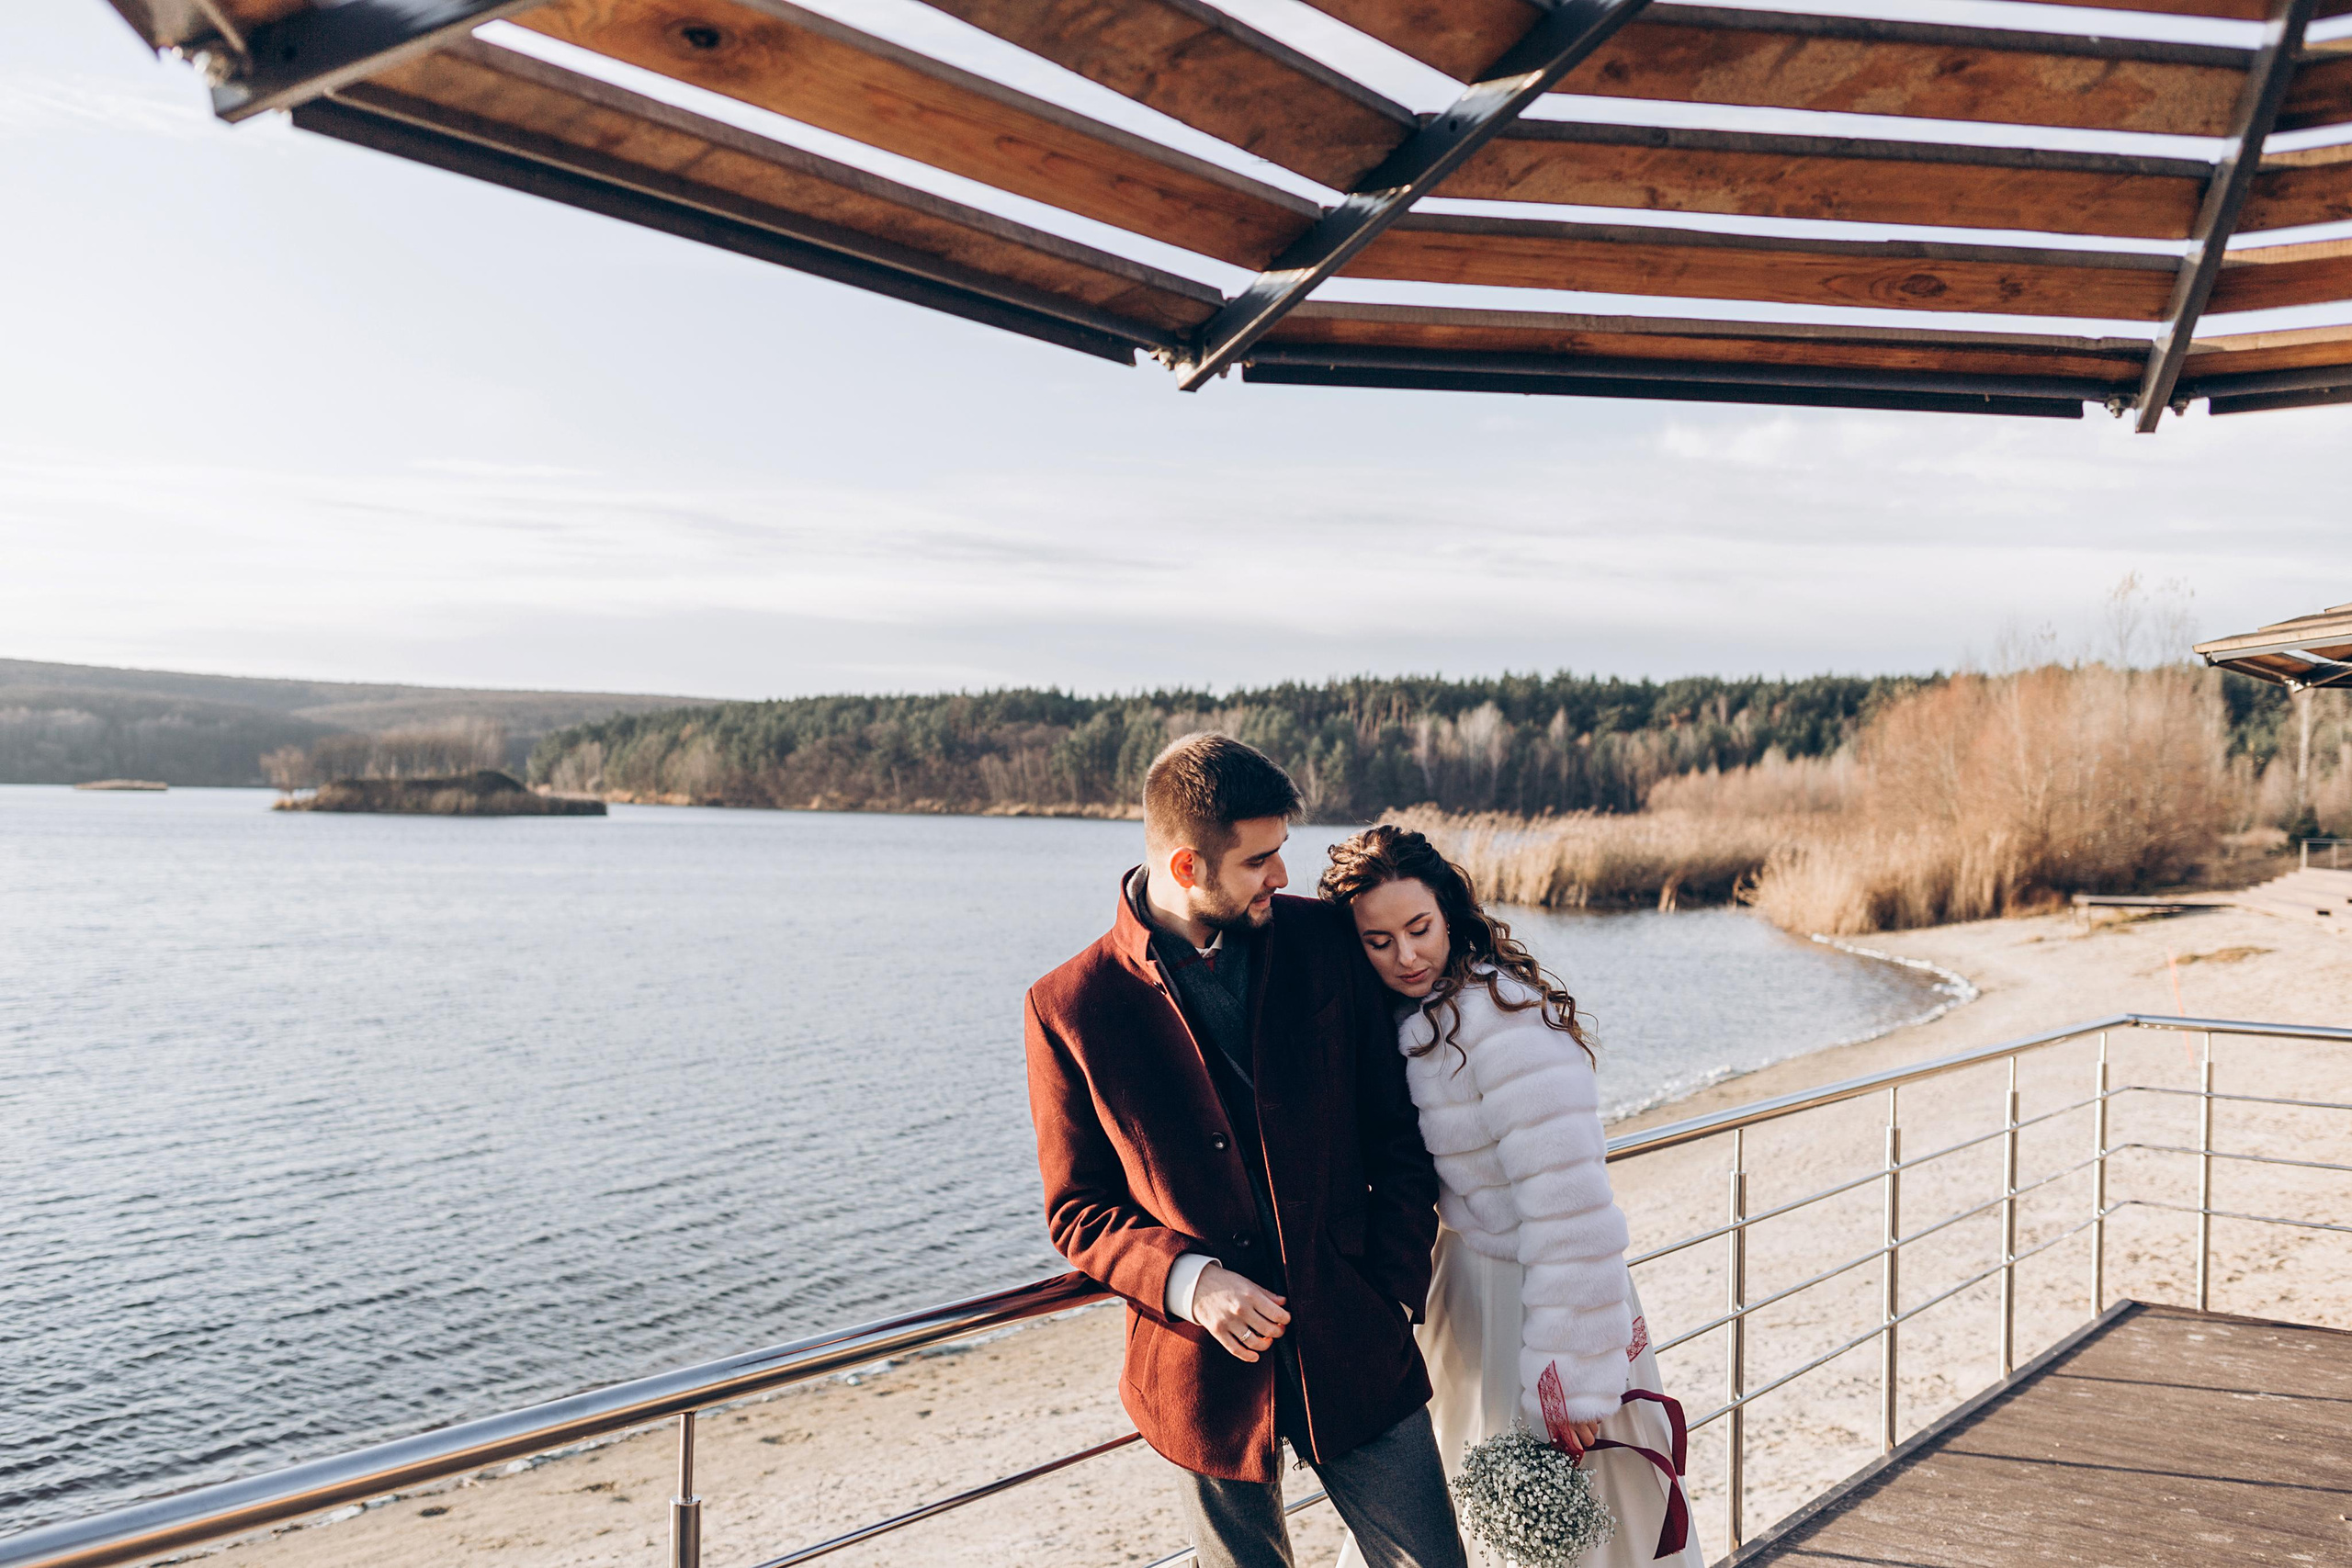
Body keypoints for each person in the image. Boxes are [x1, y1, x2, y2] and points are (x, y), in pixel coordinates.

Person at [1023, 735, 1467, 1568]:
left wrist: (1393, 1295)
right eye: (1260, 859)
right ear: (1188, 866)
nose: (1281, 877)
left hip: (1360, 1343)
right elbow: (1078, 1211)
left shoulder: (1328, 942)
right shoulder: (1069, 1006)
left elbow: (1400, 1137)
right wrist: (1190, 1284)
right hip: (1203, 1375)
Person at [1319, 824, 1705, 1568]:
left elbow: (1574, 1211)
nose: (1405, 954)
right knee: (1470, 1517)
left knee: (1564, 1529)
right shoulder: (1418, 1015)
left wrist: (1572, 1381)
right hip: (1466, 1296)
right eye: (1378, 940)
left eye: (1419, 927)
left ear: (1451, 913)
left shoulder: (1502, 1019)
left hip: (1545, 1306)